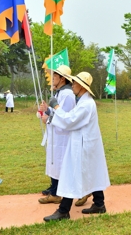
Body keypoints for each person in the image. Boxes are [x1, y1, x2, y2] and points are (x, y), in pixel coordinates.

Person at [42, 72, 110, 221]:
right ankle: (99, 203)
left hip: (83, 145)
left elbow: (70, 120)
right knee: (93, 171)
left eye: (75, 83)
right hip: (85, 143)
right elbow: (71, 119)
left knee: (70, 175)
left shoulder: (86, 104)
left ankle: (64, 210)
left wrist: (56, 107)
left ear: (82, 86)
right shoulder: (83, 102)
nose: (72, 85)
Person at [38, 65, 76, 204]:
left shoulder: (67, 95)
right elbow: (56, 113)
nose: (52, 78)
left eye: (55, 76)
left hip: (62, 135)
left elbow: (64, 118)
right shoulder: (59, 93)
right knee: (55, 162)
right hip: (55, 135)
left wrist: (48, 119)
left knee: (59, 162)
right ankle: (54, 189)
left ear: (62, 79)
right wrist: (47, 110)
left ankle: (57, 192)